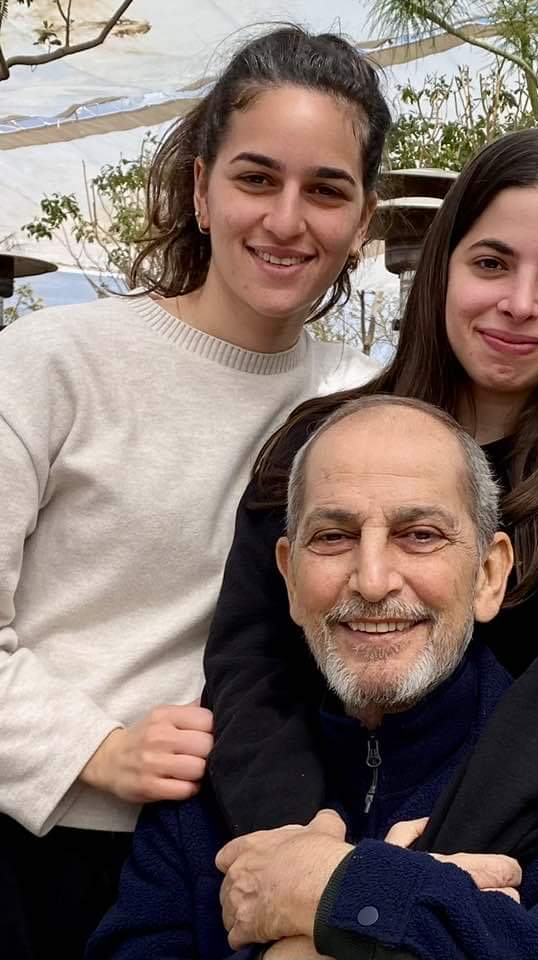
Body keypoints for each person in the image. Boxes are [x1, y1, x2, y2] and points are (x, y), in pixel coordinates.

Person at [202, 126, 538, 895]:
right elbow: (250, 668)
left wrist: (388, 884)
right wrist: (300, 851)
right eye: (491, 263)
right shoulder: (319, 447)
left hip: (523, 885)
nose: (519, 303)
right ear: (443, 268)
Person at [0, 27, 391, 958]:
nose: (287, 220)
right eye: (257, 178)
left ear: (363, 221)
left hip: (236, 856)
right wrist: (93, 750)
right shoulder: (53, 363)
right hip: (35, 845)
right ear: (201, 190)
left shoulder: (362, 400)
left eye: (326, 190)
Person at [87, 397, 538, 960]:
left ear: (489, 575)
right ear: (289, 577)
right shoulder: (211, 781)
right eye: (333, 536)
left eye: (420, 535)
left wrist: (351, 893)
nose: (373, 580)